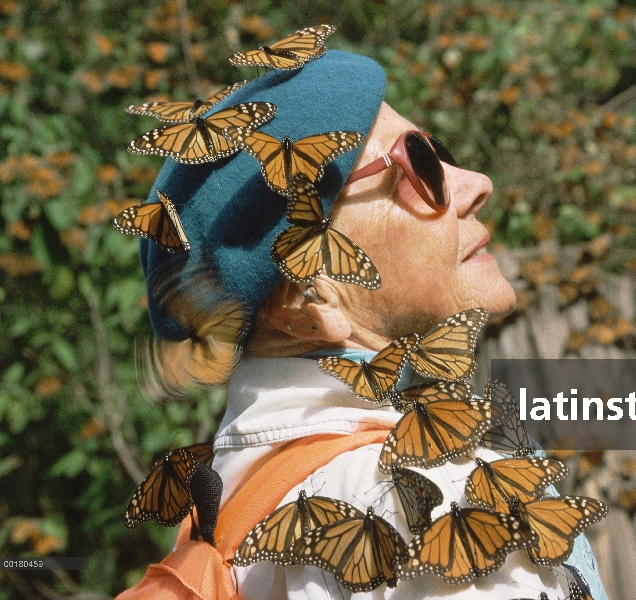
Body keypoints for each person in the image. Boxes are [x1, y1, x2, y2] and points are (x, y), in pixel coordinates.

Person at [122, 45, 608, 600]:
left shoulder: (233, 503)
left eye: (439, 151)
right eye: (418, 164)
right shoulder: (421, 501)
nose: (476, 182)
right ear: (312, 296)